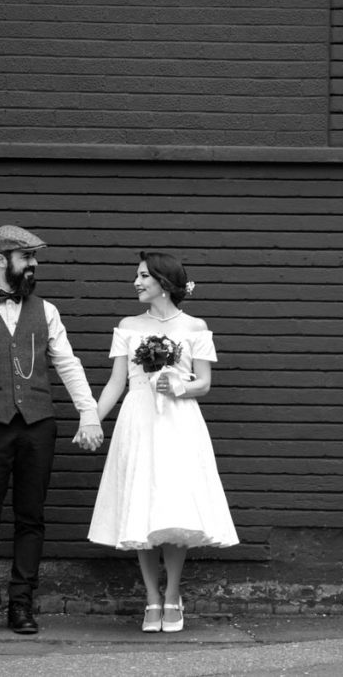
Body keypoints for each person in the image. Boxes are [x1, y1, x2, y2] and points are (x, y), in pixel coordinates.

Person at [0, 225, 104, 637]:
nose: (33, 266)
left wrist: (88, 413)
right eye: (26, 258)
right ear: (1, 260)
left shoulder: (46, 311)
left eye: (34, 259)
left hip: (38, 425)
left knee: (31, 517)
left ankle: (21, 604)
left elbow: (68, 363)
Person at [88, 251, 238, 634]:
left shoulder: (194, 327)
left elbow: (204, 383)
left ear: (163, 283)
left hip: (178, 422)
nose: (136, 283)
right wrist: (91, 418)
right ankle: (151, 598)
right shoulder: (128, 325)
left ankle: (172, 595)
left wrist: (181, 385)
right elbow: (116, 383)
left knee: (175, 507)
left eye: (142, 277)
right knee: (141, 505)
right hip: (139, 420)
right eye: (136, 276)